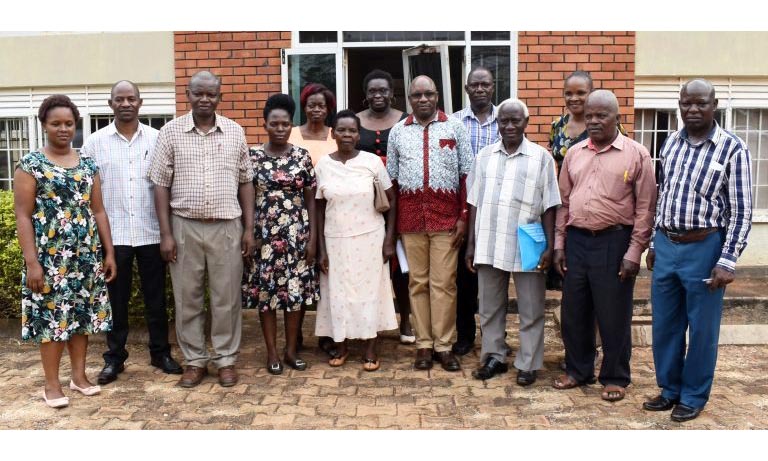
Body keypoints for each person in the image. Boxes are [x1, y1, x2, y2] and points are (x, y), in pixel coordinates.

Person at [643, 79, 753, 422]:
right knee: (665, 324)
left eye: (700, 104)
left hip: (704, 248)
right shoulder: (672, 143)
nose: (692, 110)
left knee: (702, 328)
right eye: (686, 103)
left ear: (714, 104)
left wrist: (727, 260)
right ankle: (669, 389)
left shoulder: (732, 149)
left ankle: (692, 395)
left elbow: (742, 210)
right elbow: (664, 196)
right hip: (666, 243)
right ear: (679, 104)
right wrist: (652, 243)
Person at [148, 71, 255, 389]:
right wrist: (166, 234)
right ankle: (195, 361)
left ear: (220, 96)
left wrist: (249, 229)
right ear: (188, 94)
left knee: (226, 299)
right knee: (188, 298)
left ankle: (225, 360)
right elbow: (160, 185)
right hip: (184, 227)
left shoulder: (235, 132)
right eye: (199, 93)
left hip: (226, 227)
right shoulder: (170, 133)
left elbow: (246, 181)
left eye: (211, 94)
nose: (205, 99)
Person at [552, 90, 656, 402]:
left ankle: (614, 376)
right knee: (574, 312)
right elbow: (563, 203)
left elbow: (645, 209)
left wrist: (634, 252)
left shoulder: (636, 154)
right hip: (578, 242)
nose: (594, 121)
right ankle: (578, 370)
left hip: (615, 241)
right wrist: (559, 245)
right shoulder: (574, 153)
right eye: (590, 115)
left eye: (602, 115)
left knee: (613, 314)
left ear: (617, 118)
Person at [14, 94, 116, 408]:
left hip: (85, 258)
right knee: (52, 321)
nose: (63, 129)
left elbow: (98, 211)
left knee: (82, 318)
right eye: (56, 123)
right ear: (44, 125)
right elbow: (22, 214)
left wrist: (108, 254)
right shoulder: (31, 164)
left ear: (76, 125)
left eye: (69, 123)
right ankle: (51, 384)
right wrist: (32, 262)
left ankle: (79, 377)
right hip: (48, 259)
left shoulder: (88, 164)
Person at [80, 80, 182, 385]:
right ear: (111, 104)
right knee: (116, 301)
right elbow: (86, 192)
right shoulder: (95, 143)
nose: (126, 104)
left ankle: (160, 353)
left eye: (131, 99)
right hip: (115, 237)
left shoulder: (158, 138)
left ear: (140, 103)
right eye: (119, 99)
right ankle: (114, 359)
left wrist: (168, 233)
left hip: (152, 233)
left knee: (156, 299)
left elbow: (167, 184)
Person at [465, 99, 560, 385]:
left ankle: (528, 363)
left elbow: (550, 206)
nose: (508, 126)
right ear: (497, 123)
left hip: (527, 243)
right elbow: (473, 203)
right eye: (503, 121)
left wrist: (550, 246)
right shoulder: (483, 157)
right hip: (490, 240)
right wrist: (470, 244)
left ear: (525, 123)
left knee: (531, 308)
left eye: (514, 121)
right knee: (489, 306)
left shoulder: (540, 157)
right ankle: (494, 356)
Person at [387, 75, 473, 372]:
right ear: (409, 99)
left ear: (437, 96)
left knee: (444, 284)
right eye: (416, 95)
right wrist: (394, 226)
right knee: (417, 283)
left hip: (446, 219)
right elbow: (393, 182)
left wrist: (464, 217)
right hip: (410, 221)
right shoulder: (398, 132)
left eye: (428, 94)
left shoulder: (455, 127)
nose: (423, 99)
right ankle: (423, 345)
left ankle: (444, 346)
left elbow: (467, 176)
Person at [315, 110, 398, 371]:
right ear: (333, 133)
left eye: (352, 130)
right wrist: (320, 248)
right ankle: (341, 346)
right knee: (337, 294)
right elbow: (317, 208)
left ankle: (371, 347)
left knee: (370, 292)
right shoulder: (323, 165)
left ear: (358, 133)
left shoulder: (372, 162)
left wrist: (389, 239)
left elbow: (391, 201)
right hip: (335, 239)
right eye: (342, 130)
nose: (347, 135)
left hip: (370, 238)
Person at [242, 93, 318, 375]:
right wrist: (247, 232)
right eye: (274, 123)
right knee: (267, 296)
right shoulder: (253, 156)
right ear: (265, 124)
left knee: (293, 294)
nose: (280, 128)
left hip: (296, 235)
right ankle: (272, 352)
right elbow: (245, 196)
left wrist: (312, 238)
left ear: (291, 125)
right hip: (264, 237)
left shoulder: (301, 156)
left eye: (285, 124)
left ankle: (290, 351)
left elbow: (311, 198)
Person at [355, 69, 413, 345]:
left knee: (401, 264)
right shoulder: (354, 121)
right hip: (363, 202)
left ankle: (406, 321)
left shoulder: (405, 121)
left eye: (383, 90)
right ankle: (368, 321)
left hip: (398, 197)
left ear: (392, 92)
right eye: (372, 91)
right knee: (368, 262)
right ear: (365, 95)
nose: (378, 95)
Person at [451, 66, 499, 356]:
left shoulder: (506, 119)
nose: (480, 89)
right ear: (467, 89)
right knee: (464, 277)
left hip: (496, 208)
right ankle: (465, 335)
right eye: (474, 85)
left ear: (493, 87)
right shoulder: (455, 122)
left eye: (485, 84)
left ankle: (493, 337)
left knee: (493, 276)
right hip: (465, 208)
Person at [288, 83, 337, 166]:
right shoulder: (290, 134)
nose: (316, 110)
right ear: (304, 108)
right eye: (311, 106)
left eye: (321, 106)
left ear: (328, 109)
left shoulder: (336, 135)